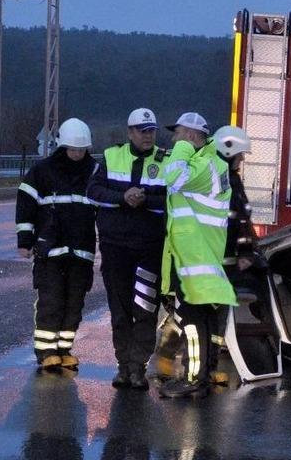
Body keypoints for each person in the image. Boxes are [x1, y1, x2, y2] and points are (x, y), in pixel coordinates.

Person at [152, 125, 257, 385]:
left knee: (211, 323)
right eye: (240, 154)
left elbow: (240, 219)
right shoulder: (209, 172)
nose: (242, 160)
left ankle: (204, 371)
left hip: (220, 261)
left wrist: (245, 250)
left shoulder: (227, 176)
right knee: (189, 320)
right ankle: (178, 365)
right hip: (205, 261)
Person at [86, 108, 167, 389]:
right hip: (116, 248)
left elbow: (173, 199)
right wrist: (123, 198)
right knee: (119, 311)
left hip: (148, 250)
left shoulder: (165, 160)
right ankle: (122, 367)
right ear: (130, 132)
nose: (148, 136)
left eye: (152, 131)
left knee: (144, 309)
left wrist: (145, 200)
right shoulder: (111, 156)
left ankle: (138, 369)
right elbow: (93, 192)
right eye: (143, 131)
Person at [15, 118, 97, 370]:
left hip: (81, 250)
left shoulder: (94, 171)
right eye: (73, 149)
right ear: (62, 147)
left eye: (81, 150)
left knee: (75, 302)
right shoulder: (43, 171)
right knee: (51, 301)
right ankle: (46, 351)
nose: (77, 154)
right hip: (49, 250)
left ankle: (64, 348)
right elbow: (25, 205)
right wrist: (25, 241)